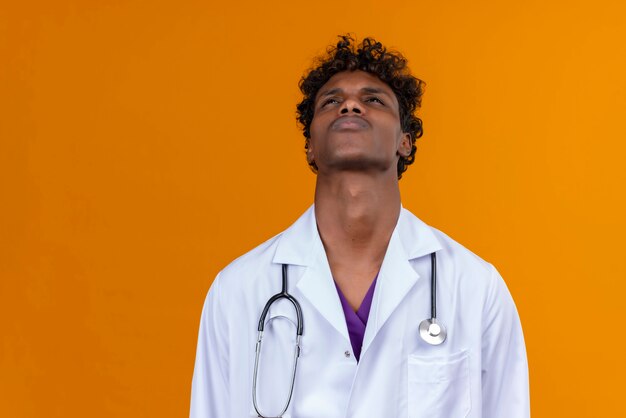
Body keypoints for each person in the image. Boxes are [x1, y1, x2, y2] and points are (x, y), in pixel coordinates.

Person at [190, 35, 529, 418]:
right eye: (332, 101)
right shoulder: (238, 290)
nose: (350, 104)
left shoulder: (475, 287)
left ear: (405, 141)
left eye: (373, 100)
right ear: (310, 147)